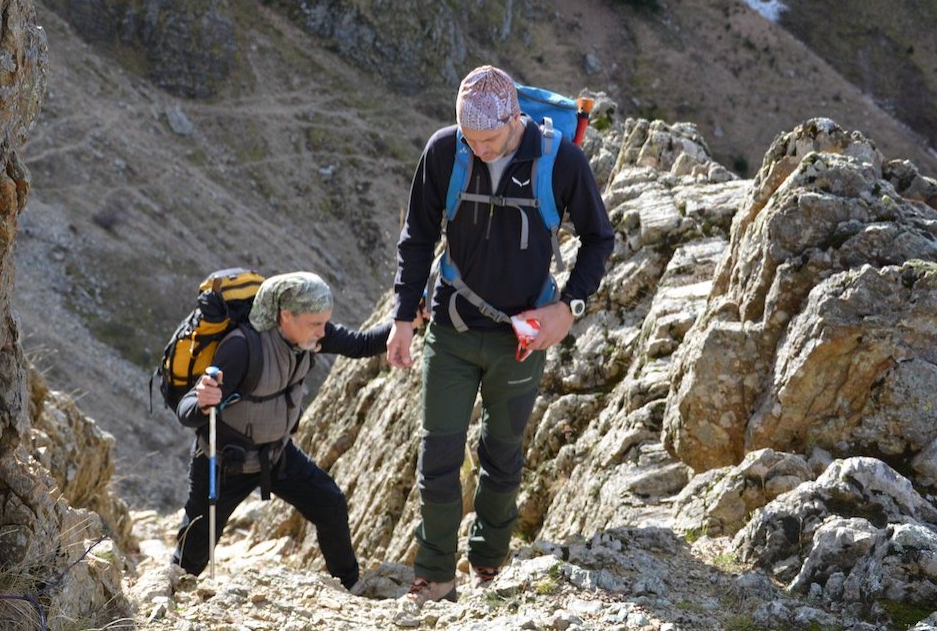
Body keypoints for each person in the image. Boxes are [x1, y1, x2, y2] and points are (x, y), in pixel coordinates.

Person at [387, 65, 614, 606]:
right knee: (438, 456)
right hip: (453, 327)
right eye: (472, 141)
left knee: (503, 456)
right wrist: (402, 315)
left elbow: (599, 240)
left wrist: (568, 307)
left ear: (515, 120)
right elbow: (418, 236)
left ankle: (488, 565)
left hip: (522, 339)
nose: (481, 150)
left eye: (489, 141)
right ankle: (435, 576)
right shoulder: (447, 151)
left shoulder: (561, 160)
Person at [173, 271, 388, 590]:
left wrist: (407, 320)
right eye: (316, 323)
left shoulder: (310, 336)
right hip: (223, 462)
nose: (323, 331)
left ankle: (348, 586)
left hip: (275, 454)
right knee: (193, 553)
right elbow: (187, 412)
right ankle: (170, 599)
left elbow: (362, 344)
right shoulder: (242, 348)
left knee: (329, 504)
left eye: (325, 322)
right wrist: (204, 401)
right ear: (286, 315)